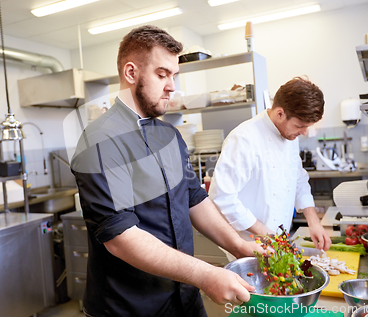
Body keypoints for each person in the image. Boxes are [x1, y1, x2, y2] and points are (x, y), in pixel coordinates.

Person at [70, 25, 265, 317]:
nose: (172, 85)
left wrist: (239, 245)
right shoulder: (99, 140)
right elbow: (120, 236)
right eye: (162, 74)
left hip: (183, 299)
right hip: (130, 307)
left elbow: (194, 198)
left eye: (174, 75)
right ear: (131, 73)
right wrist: (205, 275)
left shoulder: (169, 135)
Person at [209, 77, 332, 254]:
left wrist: (314, 222)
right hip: (249, 244)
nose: (304, 133)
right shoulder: (244, 138)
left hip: (278, 241)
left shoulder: (290, 135)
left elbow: (298, 178)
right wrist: (268, 234)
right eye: (300, 126)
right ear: (280, 113)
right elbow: (221, 197)